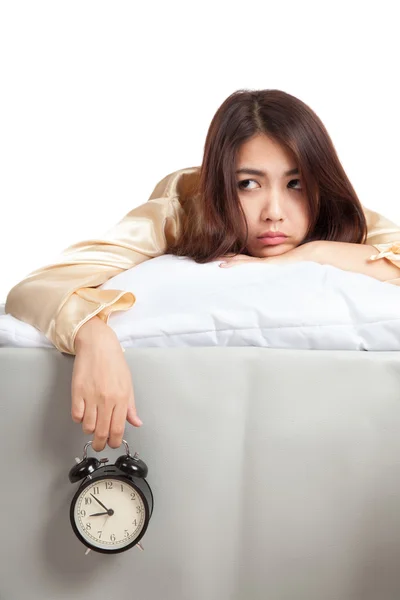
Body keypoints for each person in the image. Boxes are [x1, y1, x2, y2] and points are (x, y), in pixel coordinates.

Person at [6, 89, 400, 452]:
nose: (274, 212)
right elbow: (38, 286)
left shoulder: (334, 213)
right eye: (248, 184)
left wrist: (310, 253)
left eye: (295, 183)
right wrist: (95, 337)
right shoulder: (182, 209)